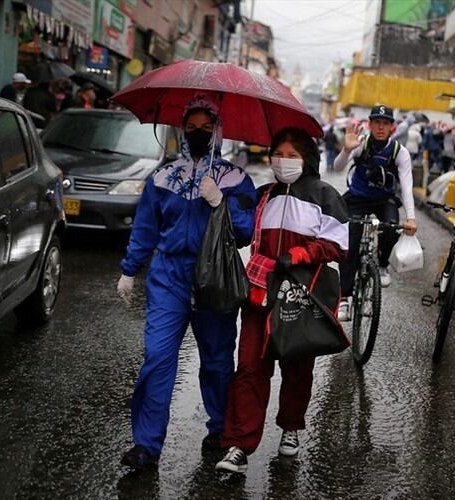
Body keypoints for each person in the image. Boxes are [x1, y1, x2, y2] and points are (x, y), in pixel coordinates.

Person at [115, 93, 258, 470]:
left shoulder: (236, 179)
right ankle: (146, 445)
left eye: (205, 128)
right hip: (169, 279)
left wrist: (219, 203)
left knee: (216, 361)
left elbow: (246, 231)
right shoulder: (162, 177)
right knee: (158, 358)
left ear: (218, 132)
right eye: (190, 127)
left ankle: (220, 430)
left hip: (215, 278)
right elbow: (146, 227)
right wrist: (131, 269)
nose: (196, 133)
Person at [215, 127, 349, 474]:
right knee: (249, 368)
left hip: (300, 296)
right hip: (260, 292)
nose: (283, 161)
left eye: (292, 155)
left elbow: (338, 244)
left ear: (306, 159)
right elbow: (240, 230)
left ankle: (291, 427)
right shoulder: (263, 196)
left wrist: (302, 253)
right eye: (279, 154)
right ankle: (239, 444)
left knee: (297, 368)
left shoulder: (325, 195)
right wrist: (220, 200)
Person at [333, 105, 418, 321]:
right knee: (349, 243)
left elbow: (407, 187)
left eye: (385, 123)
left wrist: (411, 218)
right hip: (357, 198)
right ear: (369, 124)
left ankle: (381, 265)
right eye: (377, 122)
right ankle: (344, 297)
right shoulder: (361, 144)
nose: (380, 127)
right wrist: (346, 150)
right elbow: (337, 168)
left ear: (392, 127)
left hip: (383, 200)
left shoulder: (400, 152)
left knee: (392, 227)